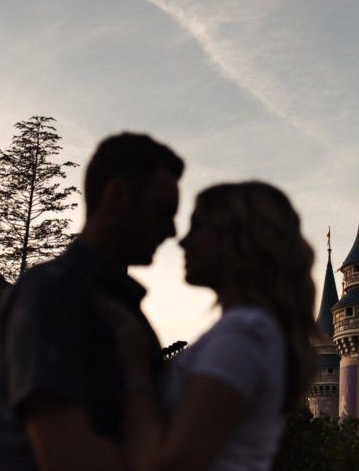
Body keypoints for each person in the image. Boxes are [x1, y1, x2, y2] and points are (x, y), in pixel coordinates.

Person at [0, 132, 184, 471]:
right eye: (162, 211)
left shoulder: (117, 308)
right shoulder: (52, 294)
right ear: (117, 195)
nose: (171, 230)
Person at [104, 181, 317, 471]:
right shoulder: (249, 330)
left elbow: (169, 465)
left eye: (198, 226)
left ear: (237, 238)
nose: (183, 241)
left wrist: (135, 367)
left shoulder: (245, 333)